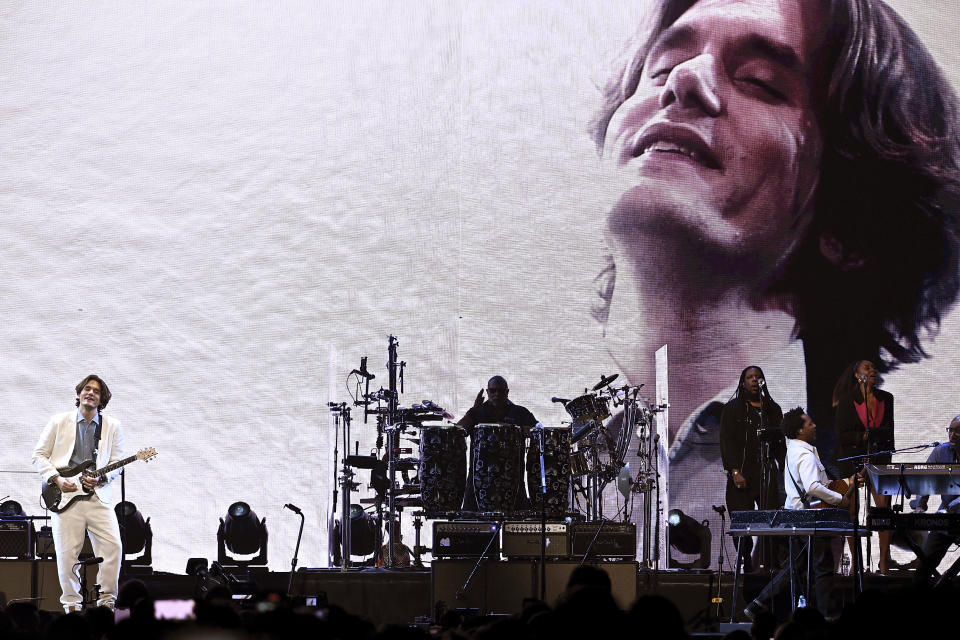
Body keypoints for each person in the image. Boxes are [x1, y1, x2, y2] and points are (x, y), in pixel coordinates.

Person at [589, 0, 960, 562]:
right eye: (660, 69)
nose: (684, 80)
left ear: (848, 222)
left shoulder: (843, 504)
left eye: (760, 82)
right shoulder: (554, 466)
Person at [745, 408, 849, 620]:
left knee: (796, 567)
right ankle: (826, 616)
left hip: (796, 515)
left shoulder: (794, 449)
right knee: (822, 566)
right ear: (800, 430)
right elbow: (812, 487)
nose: (815, 425)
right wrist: (838, 499)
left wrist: (847, 482)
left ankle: (757, 603)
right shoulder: (804, 454)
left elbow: (818, 484)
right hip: (807, 517)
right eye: (810, 423)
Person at [32, 375, 124, 611]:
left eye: (96, 391)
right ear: (80, 393)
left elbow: (117, 462)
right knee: (66, 554)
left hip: (97, 497)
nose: (90, 393)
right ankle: (72, 605)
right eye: (86, 388)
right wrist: (56, 479)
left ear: (102, 399)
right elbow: (39, 455)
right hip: (65, 496)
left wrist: (102, 477)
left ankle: (106, 602)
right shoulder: (59, 421)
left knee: (113, 546)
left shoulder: (112, 426)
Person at [720, 366, 785, 572]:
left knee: (771, 517)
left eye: (758, 377)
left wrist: (783, 468)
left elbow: (779, 443)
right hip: (741, 471)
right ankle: (744, 561)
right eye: (750, 377)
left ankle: (769, 563)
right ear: (743, 382)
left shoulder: (773, 409)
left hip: (766, 471)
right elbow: (727, 441)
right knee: (741, 519)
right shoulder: (732, 409)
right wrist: (735, 471)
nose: (754, 380)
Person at [832, 359, 894, 573]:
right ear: (858, 375)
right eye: (867, 368)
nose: (872, 370)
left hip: (879, 460)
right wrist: (863, 435)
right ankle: (855, 562)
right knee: (851, 512)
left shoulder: (886, 398)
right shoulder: (846, 402)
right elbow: (842, 436)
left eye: (873, 367)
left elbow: (889, 432)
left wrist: (887, 460)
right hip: (852, 460)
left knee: (883, 512)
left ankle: (884, 561)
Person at [456, 376, 538, 512]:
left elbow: (539, 431)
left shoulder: (520, 412)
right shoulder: (478, 412)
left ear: (507, 392)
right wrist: (473, 411)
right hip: (478, 481)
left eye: (500, 391)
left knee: (516, 526)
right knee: (472, 526)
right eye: (493, 391)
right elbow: (457, 432)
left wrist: (528, 430)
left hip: (512, 480)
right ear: (487, 392)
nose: (496, 394)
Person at [911, 415, 960, 585]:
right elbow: (925, 480)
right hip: (947, 515)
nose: (952, 435)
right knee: (923, 568)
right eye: (950, 430)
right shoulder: (941, 451)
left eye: (958, 432)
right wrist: (920, 506)